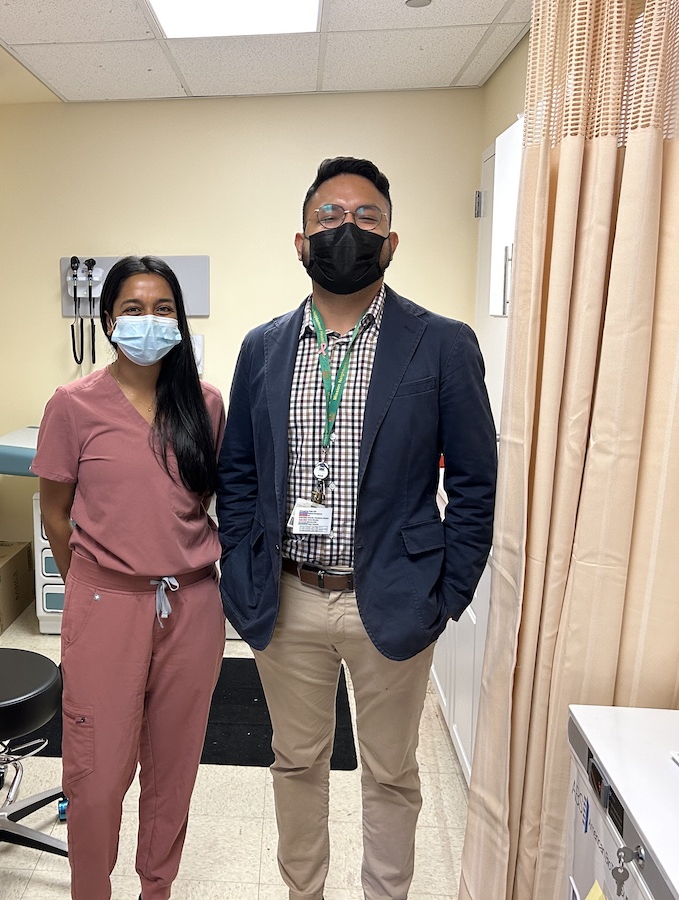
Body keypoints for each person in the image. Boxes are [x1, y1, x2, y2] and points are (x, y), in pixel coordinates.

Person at [216, 157, 497, 900]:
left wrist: (449, 593)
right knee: (297, 762)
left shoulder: (442, 343)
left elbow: (474, 479)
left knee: (391, 772)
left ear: (393, 241)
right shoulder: (262, 347)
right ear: (301, 242)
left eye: (366, 217)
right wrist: (240, 574)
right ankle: (302, 891)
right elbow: (237, 471)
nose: (348, 229)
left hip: (399, 597)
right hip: (287, 595)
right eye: (330, 218)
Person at [32, 255, 227, 900]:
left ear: (181, 320)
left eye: (164, 309)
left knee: (173, 768)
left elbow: (210, 503)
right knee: (96, 772)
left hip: (193, 608)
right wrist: (95, 590)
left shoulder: (204, 405)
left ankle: (157, 889)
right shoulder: (73, 405)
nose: (150, 321)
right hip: (107, 604)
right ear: (108, 318)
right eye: (134, 309)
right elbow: (56, 515)